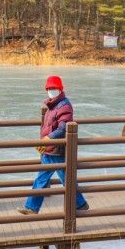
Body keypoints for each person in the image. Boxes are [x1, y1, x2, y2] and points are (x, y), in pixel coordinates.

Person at [18, 75, 89, 214]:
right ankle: (80, 204)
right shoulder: (52, 104)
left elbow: (63, 128)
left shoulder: (64, 106)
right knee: (65, 180)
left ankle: (31, 208)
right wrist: (45, 140)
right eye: (49, 88)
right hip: (51, 148)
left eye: (53, 88)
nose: (51, 90)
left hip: (56, 149)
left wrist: (48, 139)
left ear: (60, 88)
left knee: (43, 179)